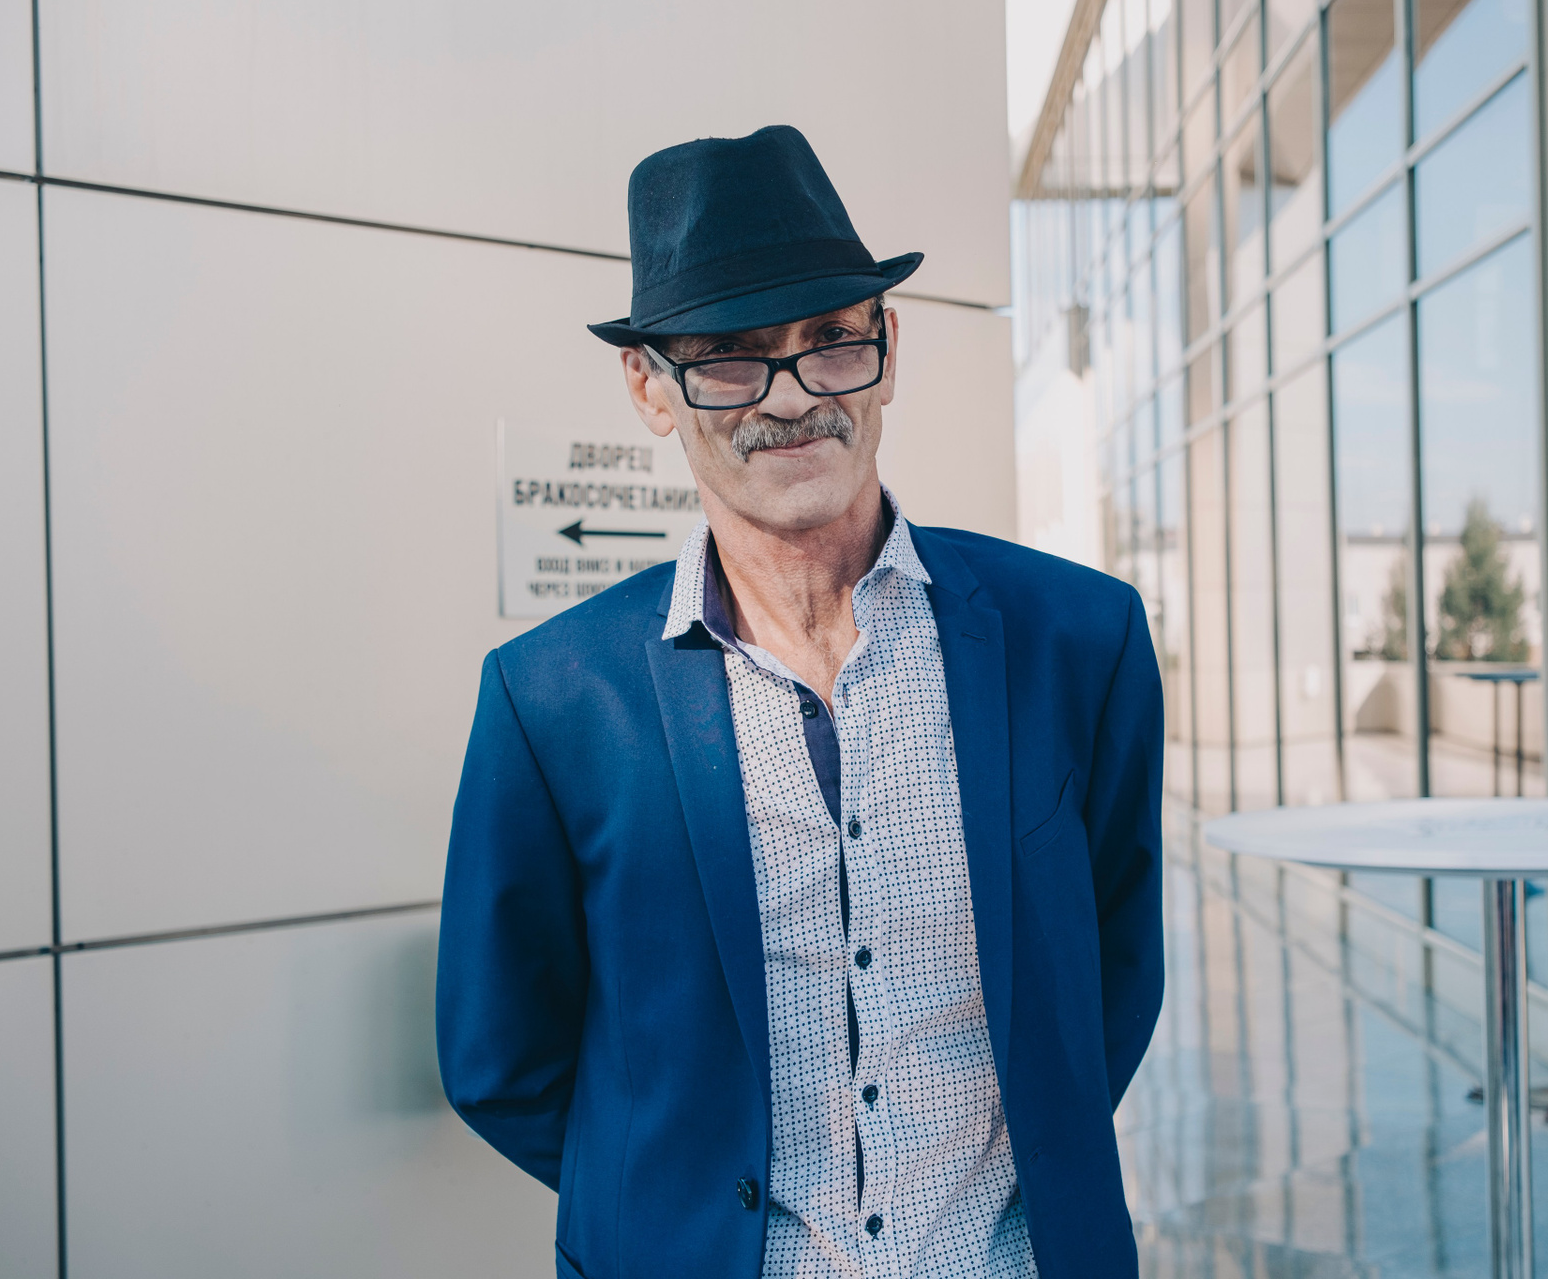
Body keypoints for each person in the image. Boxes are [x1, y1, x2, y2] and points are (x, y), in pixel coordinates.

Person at [435, 125, 1165, 1279]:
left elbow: (1114, 973)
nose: (792, 397)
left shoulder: (1077, 638)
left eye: (831, 340)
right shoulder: (553, 697)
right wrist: (674, 1203)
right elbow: (499, 1057)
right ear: (649, 386)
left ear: (889, 349)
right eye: (730, 356)